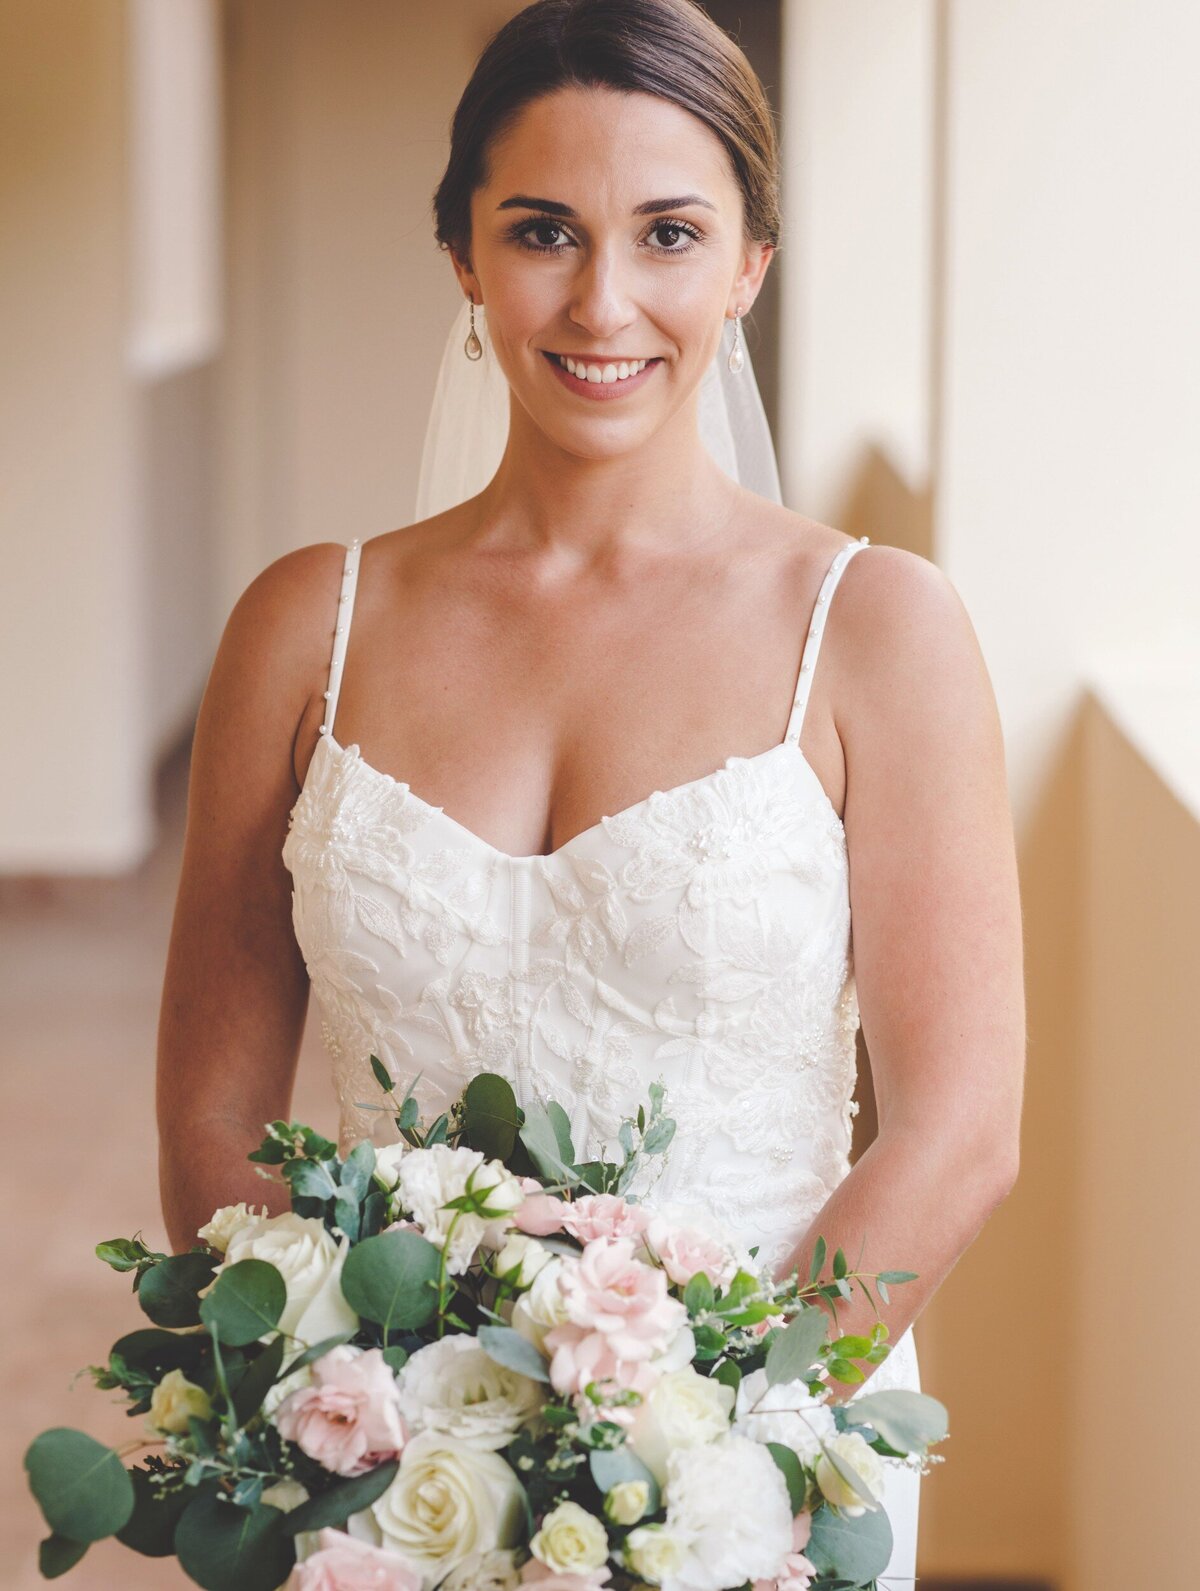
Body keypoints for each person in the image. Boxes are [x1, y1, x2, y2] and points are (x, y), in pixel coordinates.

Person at [157, 1, 1026, 1582]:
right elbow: (215, 1106)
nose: (605, 299)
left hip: (761, 1479)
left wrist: (690, 1464)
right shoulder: (306, 626)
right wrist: (339, 1412)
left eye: (671, 234)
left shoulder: (879, 629)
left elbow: (959, 1129)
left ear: (751, 262)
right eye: (543, 230)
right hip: (387, 1494)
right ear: (463, 257)